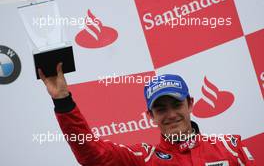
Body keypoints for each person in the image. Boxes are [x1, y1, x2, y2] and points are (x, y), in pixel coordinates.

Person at [39, 63, 256, 166]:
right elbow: (92, 154)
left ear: (190, 104)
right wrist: (63, 101)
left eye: (176, 104)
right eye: (161, 109)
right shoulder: (144, 158)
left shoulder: (230, 147)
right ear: (150, 116)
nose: (171, 114)